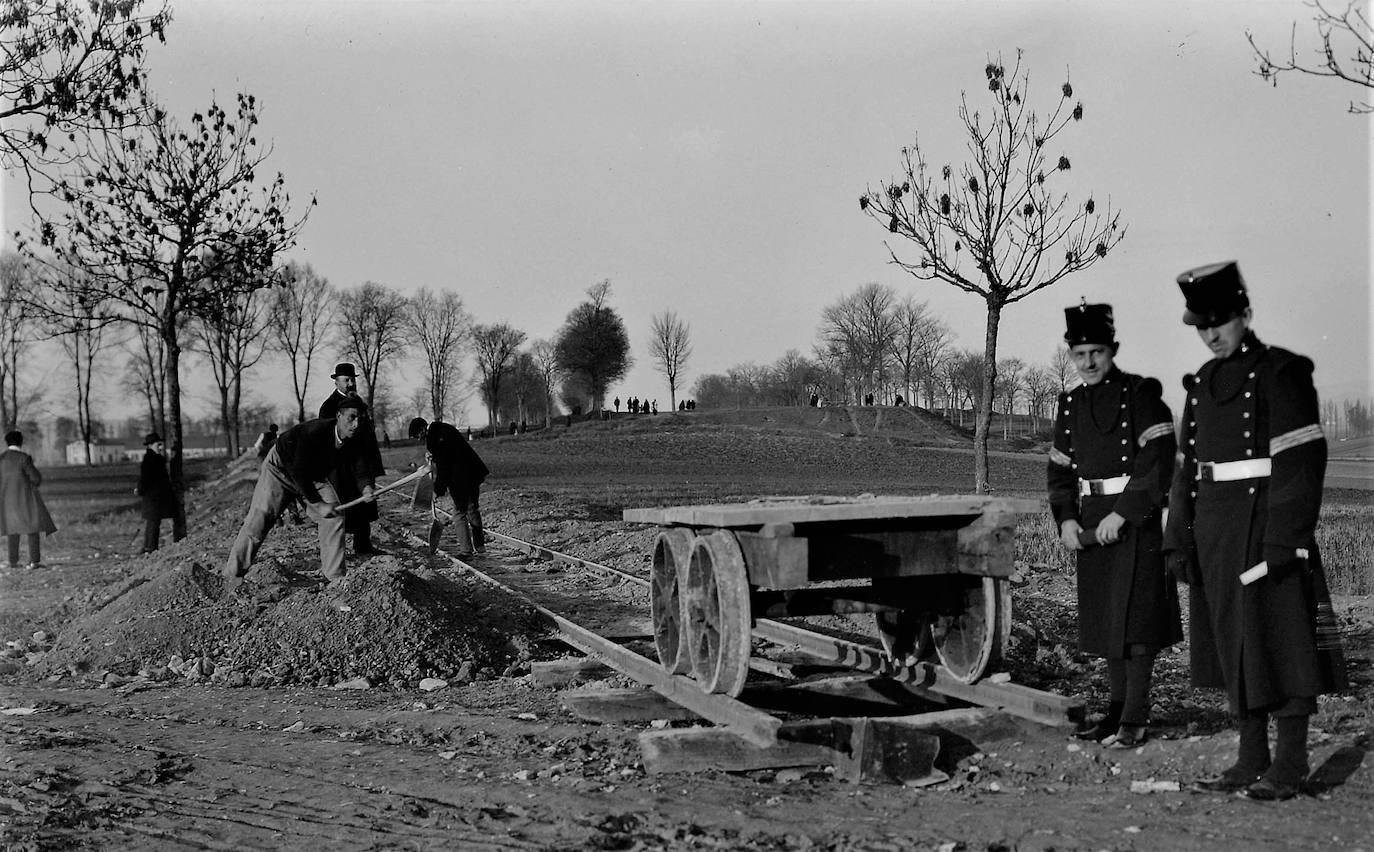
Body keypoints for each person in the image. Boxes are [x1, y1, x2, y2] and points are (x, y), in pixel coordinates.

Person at [1164, 261, 1346, 801]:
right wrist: (1179, 535)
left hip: (1268, 530)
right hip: (1216, 530)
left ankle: (1290, 766)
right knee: (1231, 646)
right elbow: (1185, 468)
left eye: (1221, 321)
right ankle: (1250, 758)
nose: (1212, 334)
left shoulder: (1282, 372)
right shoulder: (1201, 384)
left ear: (1246, 314)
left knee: (1282, 643)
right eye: (1202, 325)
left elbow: (1302, 461)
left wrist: (1286, 538)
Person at [1047, 302, 1182, 748]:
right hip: (1090, 522)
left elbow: (1158, 463)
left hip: (1136, 521)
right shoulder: (1069, 406)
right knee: (1107, 621)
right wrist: (1066, 519)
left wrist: (1122, 514)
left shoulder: (1141, 395)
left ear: (1113, 350)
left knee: (1138, 620)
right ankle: (1115, 713)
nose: (1087, 363)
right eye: (1079, 353)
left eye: (1096, 353)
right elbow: (1060, 472)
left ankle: (1135, 718)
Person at [225, 397, 370, 584]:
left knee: (334, 516)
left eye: (360, 419)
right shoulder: (314, 432)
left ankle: (335, 578)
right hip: (281, 469)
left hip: (314, 476)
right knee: (260, 519)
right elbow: (298, 471)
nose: (356, 424)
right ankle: (231, 576)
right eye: (352, 417)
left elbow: (361, 466)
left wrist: (366, 487)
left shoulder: (355, 437)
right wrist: (318, 504)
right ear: (338, 416)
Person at [319, 362, 386, 555]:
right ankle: (336, 551)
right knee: (343, 505)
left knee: (364, 501)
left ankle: (363, 544)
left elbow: (367, 433)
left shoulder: (358, 403)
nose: (350, 383)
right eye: (346, 380)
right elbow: (328, 438)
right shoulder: (329, 407)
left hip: (362, 460)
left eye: (352, 379)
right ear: (336, 382)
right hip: (342, 465)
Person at [409, 416, 489, 557]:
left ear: (422, 429)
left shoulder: (434, 439)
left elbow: (445, 466)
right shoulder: (445, 428)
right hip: (473, 472)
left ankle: (466, 551)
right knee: (472, 508)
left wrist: (437, 490)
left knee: (459, 513)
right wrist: (434, 456)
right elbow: (451, 452)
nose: (418, 439)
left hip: (460, 478)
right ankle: (480, 547)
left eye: (417, 435)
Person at [0, 430, 56, 570]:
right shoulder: (24, 458)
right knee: (33, 528)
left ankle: (13, 562)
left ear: (7, 442)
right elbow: (36, 478)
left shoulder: (1, 459)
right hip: (25, 499)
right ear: (21, 442)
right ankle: (34, 562)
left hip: (7, 500)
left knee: (12, 530)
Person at [135, 432, 177, 553]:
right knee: (153, 522)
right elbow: (144, 478)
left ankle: (149, 547)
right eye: (158, 445)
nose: (160, 447)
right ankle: (150, 547)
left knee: (153, 522)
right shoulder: (150, 459)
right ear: (150, 445)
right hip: (152, 496)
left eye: (160, 444)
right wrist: (141, 490)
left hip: (156, 496)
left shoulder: (155, 458)